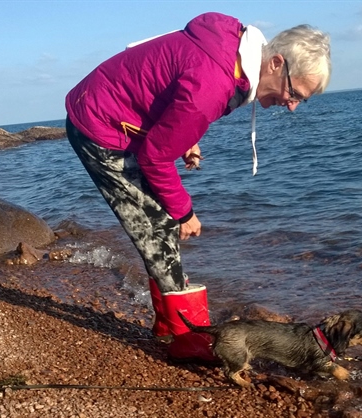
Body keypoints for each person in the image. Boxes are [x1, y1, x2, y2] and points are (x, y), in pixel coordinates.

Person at [65, 12, 331, 362]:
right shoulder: (214, 81)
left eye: (302, 100)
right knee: (157, 226)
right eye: (295, 93)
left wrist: (184, 139)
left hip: (112, 110)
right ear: (275, 63)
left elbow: (171, 95)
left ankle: (168, 330)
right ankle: (186, 341)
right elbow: (156, 157)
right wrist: (185, 212)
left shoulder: (231, 53)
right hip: (100, 126)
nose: (293, 106)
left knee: (160, 226)